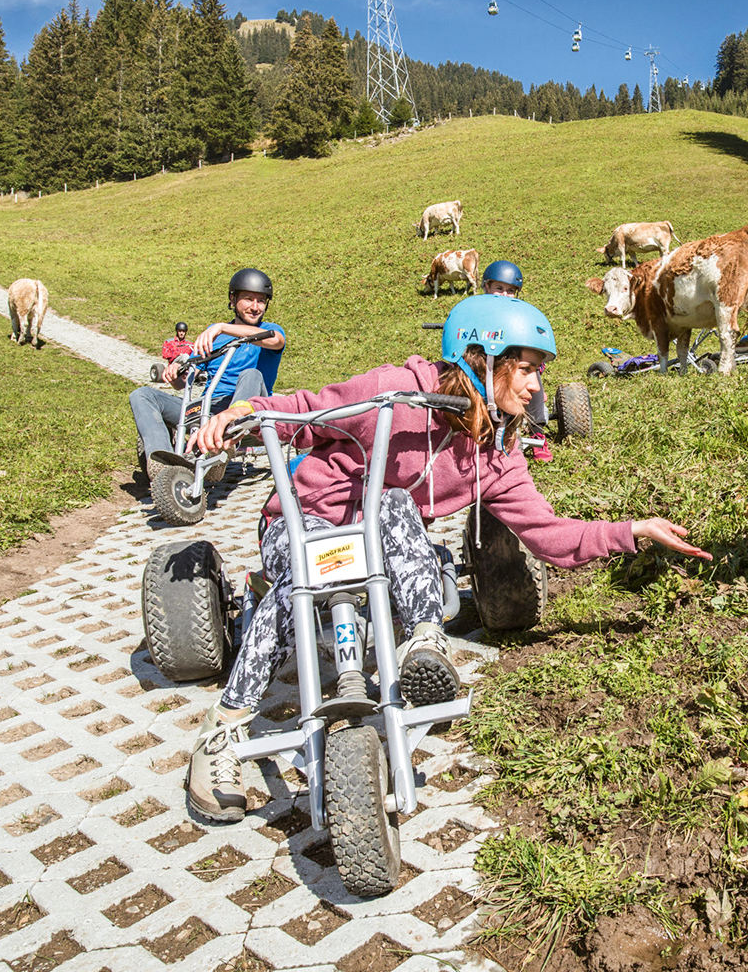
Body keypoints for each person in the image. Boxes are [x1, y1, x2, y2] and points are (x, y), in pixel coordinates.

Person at [182, 293, 709, 821]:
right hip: (305, 523)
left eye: (539, 374)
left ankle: (424, 643)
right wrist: (242, 412)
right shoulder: (396, 391)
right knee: (311, 569)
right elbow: (302, 411)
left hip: (378, 546)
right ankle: (222, 731)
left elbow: (551, 535)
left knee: (389, 502)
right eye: (525, 370)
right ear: (481, 358)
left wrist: (635, 529)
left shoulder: (497, 456)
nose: (535, 387)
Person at [129, 269, 286, 474]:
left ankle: (221, 443)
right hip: (207, 409)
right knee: (142, 395)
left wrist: (221, 328)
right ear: (233, 299)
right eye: (248, 299)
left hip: (247, 409)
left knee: (251, 374)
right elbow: (184, 382)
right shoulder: (214, 336)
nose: (255, 307)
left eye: (261, 301)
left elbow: (276, 340)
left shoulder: (268, 330)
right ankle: (163, 463)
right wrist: (175, 372)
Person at [479, 260, 552, 460]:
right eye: (499, 288)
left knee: (531, 374)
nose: (504, 295)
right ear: (487, 287)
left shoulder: (520, 315)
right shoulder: (476, 312)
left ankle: (537, 431)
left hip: (512, 365)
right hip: (482, 364)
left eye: (510, 291)